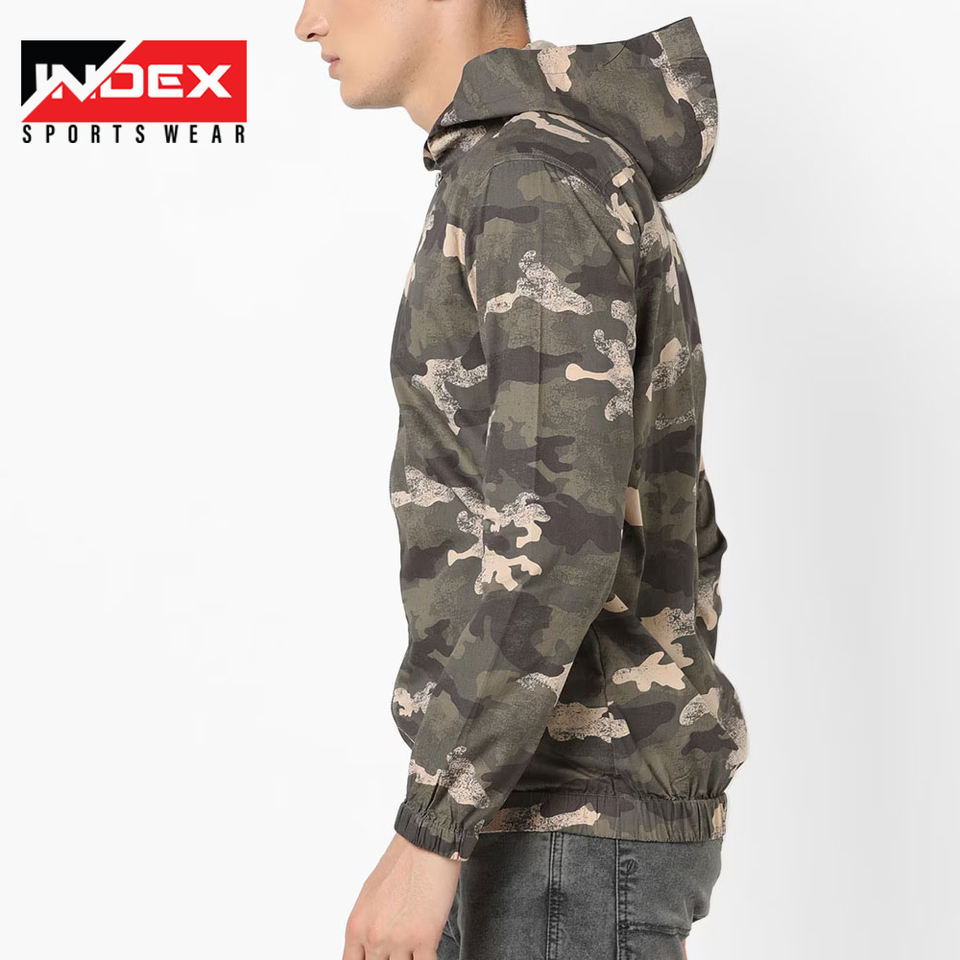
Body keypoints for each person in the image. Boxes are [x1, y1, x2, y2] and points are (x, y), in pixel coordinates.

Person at [295, 3, 750, 958]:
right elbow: (669, 523)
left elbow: (558, 533)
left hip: (565, 839)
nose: (307, 21)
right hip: (547, 819)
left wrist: (430, 830)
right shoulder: (522, 170)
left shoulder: (531, 179)